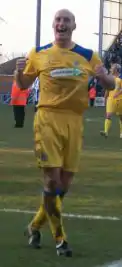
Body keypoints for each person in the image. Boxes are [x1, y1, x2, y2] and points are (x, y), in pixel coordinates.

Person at [15, 9, 115, 257]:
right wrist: (18, 72)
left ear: (74, 26)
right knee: (52, 180)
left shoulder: (88, 56)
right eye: (58, 20)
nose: (62, 23)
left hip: (75, 121)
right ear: (53, 25)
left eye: (66, 20)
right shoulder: (38, 53)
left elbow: (112, 85)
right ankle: (61, 240)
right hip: (47, 118)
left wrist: (105, 77)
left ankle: (34, 226)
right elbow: (23, 85)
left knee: (64, 185)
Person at [100, 63, 122, 138]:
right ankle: (106, 132)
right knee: (108, 115)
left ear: (116, 69)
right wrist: (105, 97)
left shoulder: (120, 78)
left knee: (120, 116)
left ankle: (121, 132)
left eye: (112, 68)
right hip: (111, 99)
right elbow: (108, 89)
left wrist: (118, 93)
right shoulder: (110, 78)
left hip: (120, 99)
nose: (110, 69)